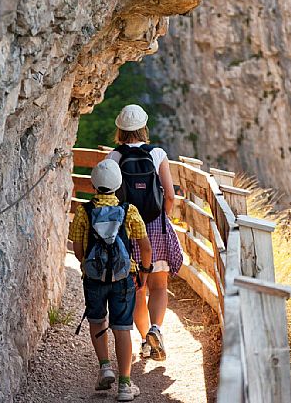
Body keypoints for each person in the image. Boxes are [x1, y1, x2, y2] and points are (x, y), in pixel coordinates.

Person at [69, 159, 152, 401]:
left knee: (97, 320)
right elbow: (145, 246)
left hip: (93, 279)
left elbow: (77, 248)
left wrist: (87, 265)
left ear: (94, 185)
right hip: (123, 278)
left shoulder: (84, 212)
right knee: (122, 328)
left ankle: (105, 366)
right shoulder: (129, 211)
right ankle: (125, 384)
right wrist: (143, 272)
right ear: (119, 185)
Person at [107, 104, 183, 361]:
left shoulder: (113, 158)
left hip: (128, 229)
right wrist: (164, 218)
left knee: (138, 287)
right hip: (156, 226)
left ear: (120, 129)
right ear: (143, 128)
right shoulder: (158, 153)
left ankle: (144, 342)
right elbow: (170, 195)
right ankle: (156, 329)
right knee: (159, 285)